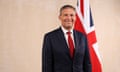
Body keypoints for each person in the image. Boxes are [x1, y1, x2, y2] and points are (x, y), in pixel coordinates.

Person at [42, 5, 92, 72]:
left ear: (75, 17)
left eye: (72, 15)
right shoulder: (49, 38)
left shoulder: (83, 37)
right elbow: (47, 65)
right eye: (65, 15)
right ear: (60, 17)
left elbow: (87, 63)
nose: (69, 18)